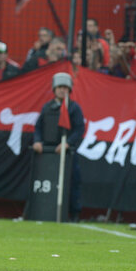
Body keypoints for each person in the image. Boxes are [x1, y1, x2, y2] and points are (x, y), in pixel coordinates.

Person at [32, 73, 85, 222]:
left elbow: (79, 129)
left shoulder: (74, 108)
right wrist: (38, 141)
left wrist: (67, 143)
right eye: (60, 87)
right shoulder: (47, 107)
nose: (63, 91)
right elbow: (38, 127)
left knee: (73, 181)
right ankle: (42, 210)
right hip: (48, 153)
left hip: (67, 153)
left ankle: (74, 213)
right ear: (54, 89)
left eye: (66, 88)